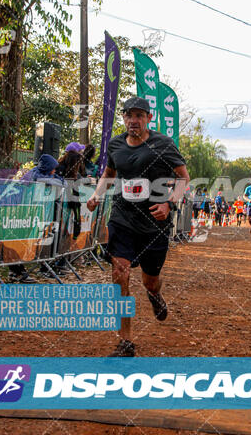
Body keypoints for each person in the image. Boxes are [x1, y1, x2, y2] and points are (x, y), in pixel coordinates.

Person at [87, 97, 189, 357]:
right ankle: (126, 342)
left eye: (139, 115)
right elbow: (109, 175)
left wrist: (169, 203)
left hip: (154, 222)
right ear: (123, 118)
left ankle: (155, 296)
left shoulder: (163, 145)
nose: (133, 120)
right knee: (120, 274)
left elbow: (183, 178)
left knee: (150, 280)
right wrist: (97, 194)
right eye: (129, 115)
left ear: (148, 118)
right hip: (122, 218)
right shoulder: (116, 144)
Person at [8, 154, 63, 283]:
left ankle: (16, 272)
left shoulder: (46, 174)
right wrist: (52, 181)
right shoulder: (33, 174)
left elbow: (62, 182)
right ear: (47, 167)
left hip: (32, 214)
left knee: (24, 242)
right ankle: (11, 272)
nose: (54, 171)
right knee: (17, 242)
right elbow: (40, 180)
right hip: (21, 211)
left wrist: (54, 180)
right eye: (53, 168)